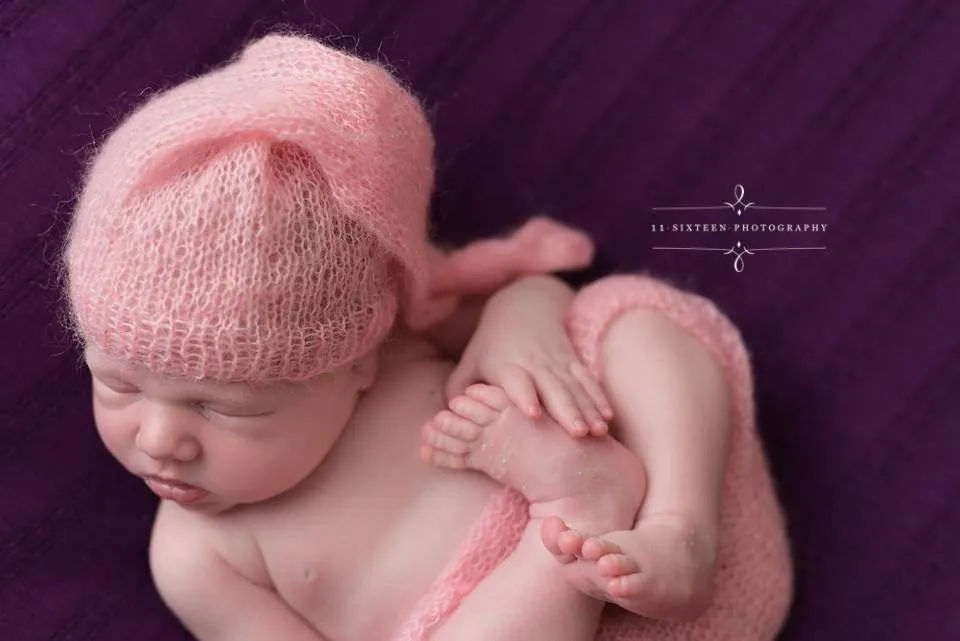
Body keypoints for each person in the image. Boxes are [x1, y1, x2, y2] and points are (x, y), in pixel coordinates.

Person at [63, 33, 792, 641]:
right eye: (117, 382)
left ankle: (680, 526)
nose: (159, 438)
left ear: (357, 359)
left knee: (629, 312)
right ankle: (579, 504)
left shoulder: (405, 339)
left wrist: (522, 327)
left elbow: (539, 300)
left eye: (222, 407)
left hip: (654, 570)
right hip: (512, 612)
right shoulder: (196, 555)